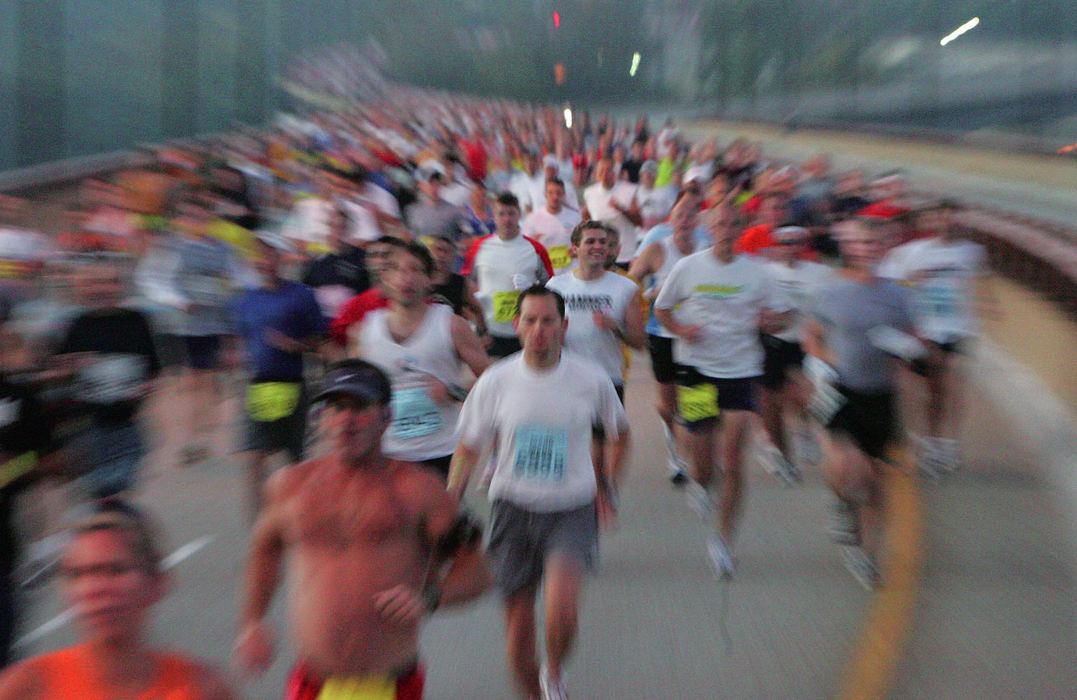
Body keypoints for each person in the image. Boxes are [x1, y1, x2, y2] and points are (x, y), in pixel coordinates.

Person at [235, 360, 491, 699]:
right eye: (336, 407)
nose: (346, 420)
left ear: (386, 417)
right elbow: (265, 549)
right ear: (320, 417)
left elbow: (477, 571)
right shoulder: (289, 487)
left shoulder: (420, 491)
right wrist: (253, 620)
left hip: (390, 684)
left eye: (360, 407)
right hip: (312, 683)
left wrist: (429, 598)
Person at [448, 286, 630, 700]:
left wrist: (608, 487)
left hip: (571, 509)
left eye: (548, 321)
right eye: (530, 321)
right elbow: (468, 448)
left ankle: (554, 672)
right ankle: (536, 693)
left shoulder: (590, 379)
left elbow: (620, 435)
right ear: (517, 326)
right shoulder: (496, 381)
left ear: (563, 327)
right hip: (512, 509)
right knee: (517, 629)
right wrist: (450, 500)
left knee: (562, 612)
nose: (539, 330)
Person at [653, 207, 792, 580]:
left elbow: (785, 314)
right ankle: (701, 483)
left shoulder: (756, 272)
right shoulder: (688, 268)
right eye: (719, 224)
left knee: (732, 458)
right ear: (708, 228)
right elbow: (662, 309)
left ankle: (723, 543)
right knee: (702, 460)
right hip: (698, 372)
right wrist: (682, 330)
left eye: (733, 224)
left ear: (741, 230)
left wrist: (773, 321)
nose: (726, 231)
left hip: (742, 372)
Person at [0, 500, 233, 698]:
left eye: (115, 570)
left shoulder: (201, 687)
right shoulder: (26, 688)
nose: (96, 588)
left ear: (157, 582)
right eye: (78, 574)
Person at [804, 217, 918, 589]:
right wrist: (821, 362)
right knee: (848, 465)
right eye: (863, 243)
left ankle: (867, 556)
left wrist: (906, 348)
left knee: (875, 483)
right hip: (840, 390)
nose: (869, 250)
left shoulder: (900, 296)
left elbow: (916, 347)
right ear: (852, 247)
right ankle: (840, 500)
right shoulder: (830, 291)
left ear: (885, 248)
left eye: (876, 244)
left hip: (880, 395)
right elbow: (812, 334)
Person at [352, 241, 490, 478]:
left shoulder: (451, 325)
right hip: (387, 452)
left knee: (442, 515)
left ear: (428, 279)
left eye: (415, 269)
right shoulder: (365, 331)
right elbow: (356, 394)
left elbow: (494, 380)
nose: (405, 277)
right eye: (396, 269)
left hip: (442, 451)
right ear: (384, 276)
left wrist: (454, 392)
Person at [879, 200, 995, 473]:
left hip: (958, 328)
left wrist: (988, 308)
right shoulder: (907, 253)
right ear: (927, 222)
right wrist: (911, 280)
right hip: (922, 330)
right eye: (939, 218)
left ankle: (947, 443)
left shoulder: (972, 252)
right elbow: (889, 288)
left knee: (952, 385)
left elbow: (983, 284)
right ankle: (928, 440)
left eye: (952, 219)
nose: (946, 224)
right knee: (928, 391)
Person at [232, 235, 327, 516]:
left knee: (293, 459)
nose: (266, 261)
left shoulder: (302, 295)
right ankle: (259, 526)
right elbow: (239, 341)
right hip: (258, 385)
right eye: (260, 256)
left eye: (272, 255)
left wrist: (294, 345)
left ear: (282, 260)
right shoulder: (244, 300)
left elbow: (320, 340)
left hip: (292, 384)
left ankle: (298, 518)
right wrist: (237, 360)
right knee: (254, 457)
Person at [55, 255, 162, 500]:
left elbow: (154, 369)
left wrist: (147, 387)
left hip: (127, 424)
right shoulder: (77, 324)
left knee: (118, 495)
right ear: (84, 287)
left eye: (112, 282)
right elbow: (57, 371)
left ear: (121, 285)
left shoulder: (137, 321)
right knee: (96, 497)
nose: (104, 289)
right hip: (87, 427)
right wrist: (71, 365)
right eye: (96, 282)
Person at [628, 196, 703, 483]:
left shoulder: (704, 253)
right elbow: (629, 284)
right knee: (669, 403)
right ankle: (674, 444)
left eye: (689, 215)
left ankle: (693, 455)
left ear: (696, 221)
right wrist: (651, 294)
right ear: (671, 221)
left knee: (698, 396)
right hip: (662, 335)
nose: (684, 221)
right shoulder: (657, 250)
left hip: (696, 336)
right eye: (679, 215)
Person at [757, 225, 836, 481]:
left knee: (805, 396)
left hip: (806, 342)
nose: (789, 247)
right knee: (770, 403)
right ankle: (781, 455)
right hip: (772, 342)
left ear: (804, 245)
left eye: (795, 242)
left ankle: (803, 429)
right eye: (783, 242)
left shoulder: (822, 273)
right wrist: (765, 320)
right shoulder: (763, 272)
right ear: (775, 246)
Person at [462, 193, 553, 358]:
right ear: (493, 217)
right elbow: (465, 287)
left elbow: (552, 288)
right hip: (491, 333)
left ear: (519, 215)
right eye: (501, 214)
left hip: (526, 332)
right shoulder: (479, 247)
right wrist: (479, 326)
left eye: (511, 213)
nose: (507, 219)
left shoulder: (535, 249)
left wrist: (533, 289)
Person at [301, 204, 370, 321]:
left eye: (342, 227)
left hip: (353, 319)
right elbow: (306, 294)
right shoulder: (318, 263)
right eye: (333, 227)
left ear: (349, 229)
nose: (338, 232)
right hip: (324, 322)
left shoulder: (363, 258)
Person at [581, 158, 641, 266]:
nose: (605, 174)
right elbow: (585, 219)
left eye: (608, 170)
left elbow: (639, 221)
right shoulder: (590, 193)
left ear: (615, 172)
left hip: (625, 255)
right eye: (601, 170)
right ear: (596, 173)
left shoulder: (629, 190)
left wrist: (622, 210)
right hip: (600, 257)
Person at [522, 178, 582, 276]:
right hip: (545, 274)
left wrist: (577, 250)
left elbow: (583, 244)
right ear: (545, 195)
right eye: (551, 193)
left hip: (569, 273)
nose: (555, 197)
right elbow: (524, 247)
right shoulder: (533, 218)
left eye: (559, 193)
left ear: (564, 195)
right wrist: (534, 244)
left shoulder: (575, 217)